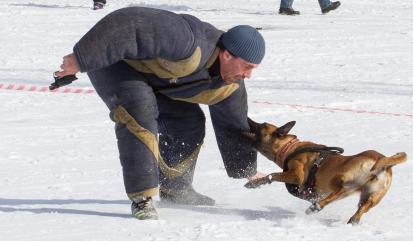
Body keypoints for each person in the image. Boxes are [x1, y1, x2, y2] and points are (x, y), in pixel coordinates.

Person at [54, 7, 266, 220]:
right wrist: (81, 58)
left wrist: (246, 170)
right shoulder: (188, 40)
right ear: (227, 55)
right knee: (139, 109)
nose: (248, 75)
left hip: (156, 78)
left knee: (188, 123)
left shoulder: (230, 85)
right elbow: (128, 23)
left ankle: (176, 189)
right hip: (115, 61)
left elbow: (234, 124)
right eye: (247, 67)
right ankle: (142, 198)